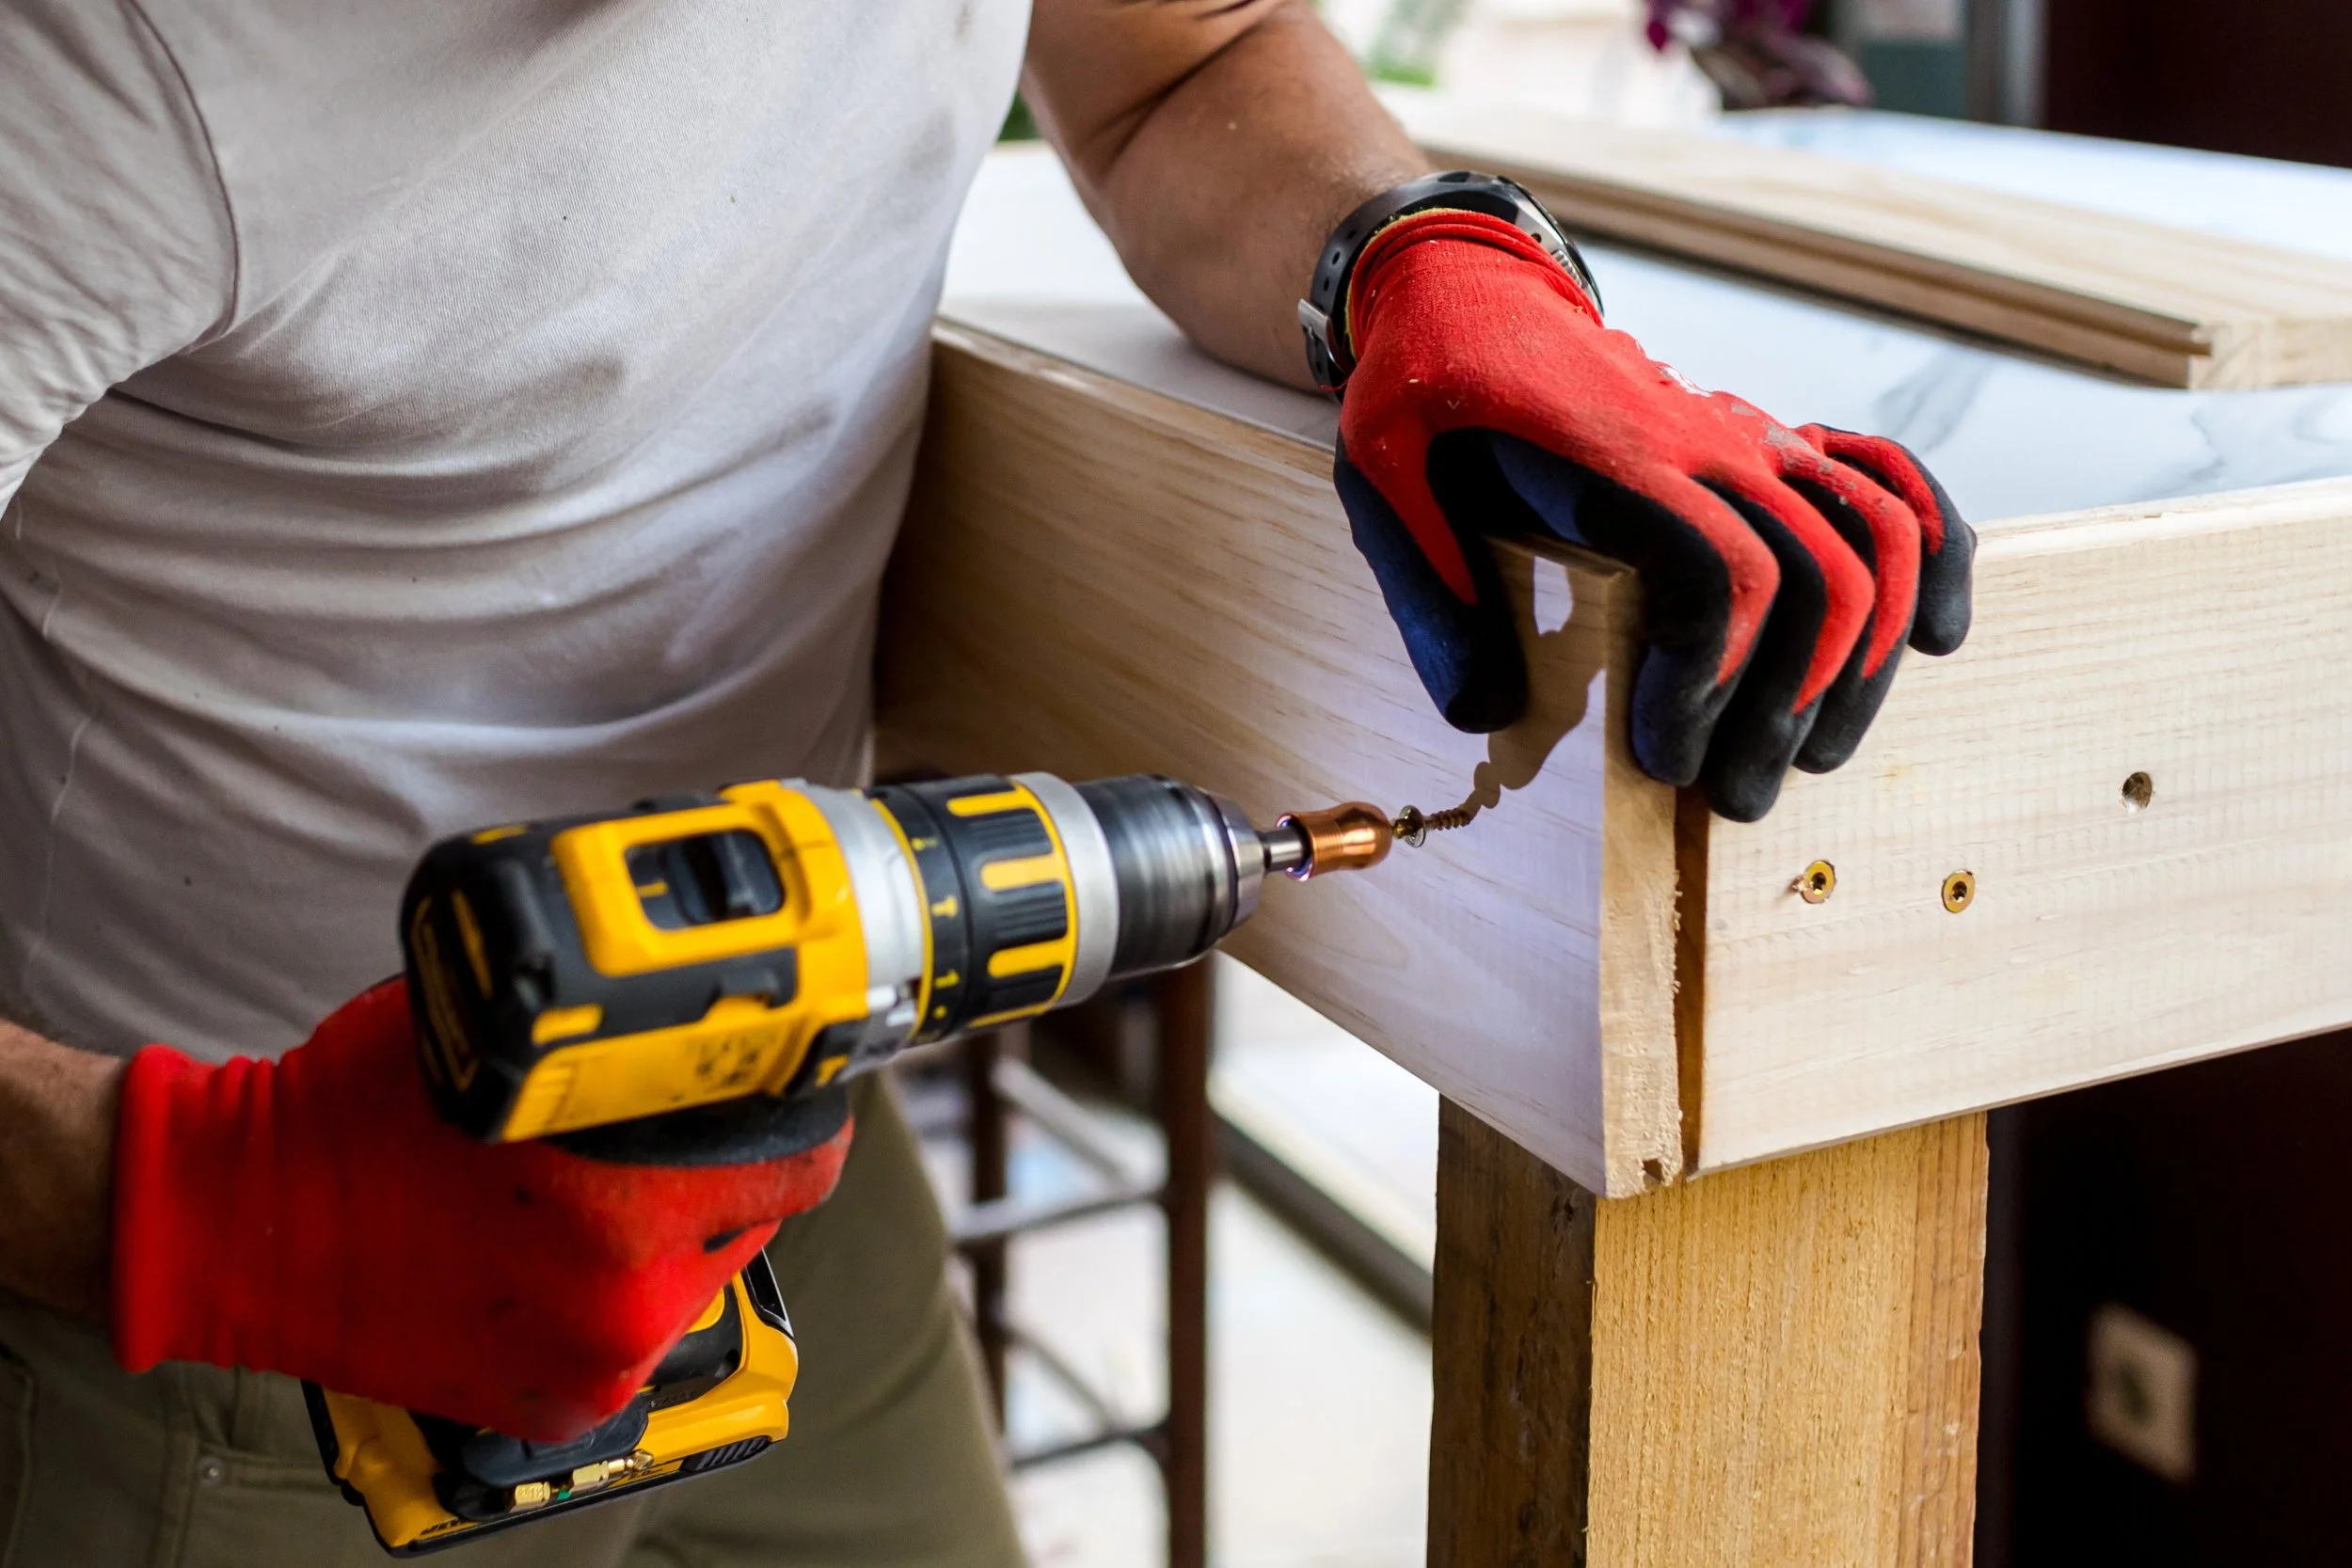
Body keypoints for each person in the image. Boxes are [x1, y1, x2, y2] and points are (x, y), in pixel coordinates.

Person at [0, 1, 1972, 1562]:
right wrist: (194, 1204)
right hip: (239, 1270)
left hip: (787, 1152)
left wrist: (1415, 262)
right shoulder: (88, 68)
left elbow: (1175, 59)